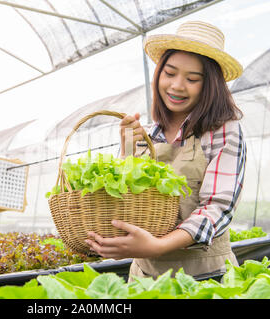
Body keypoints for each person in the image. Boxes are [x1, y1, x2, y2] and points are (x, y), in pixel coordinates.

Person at [85, 21, 247, 280]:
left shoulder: (223, 131)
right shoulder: (146, 134)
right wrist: (127, 153)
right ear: (158, 74)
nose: (177, 86)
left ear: (210, 86)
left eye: (192, 79)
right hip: (145, 277)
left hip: (205, 278)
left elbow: (217, 207)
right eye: (169, 73)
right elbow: (125, 201)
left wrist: (157, 246)